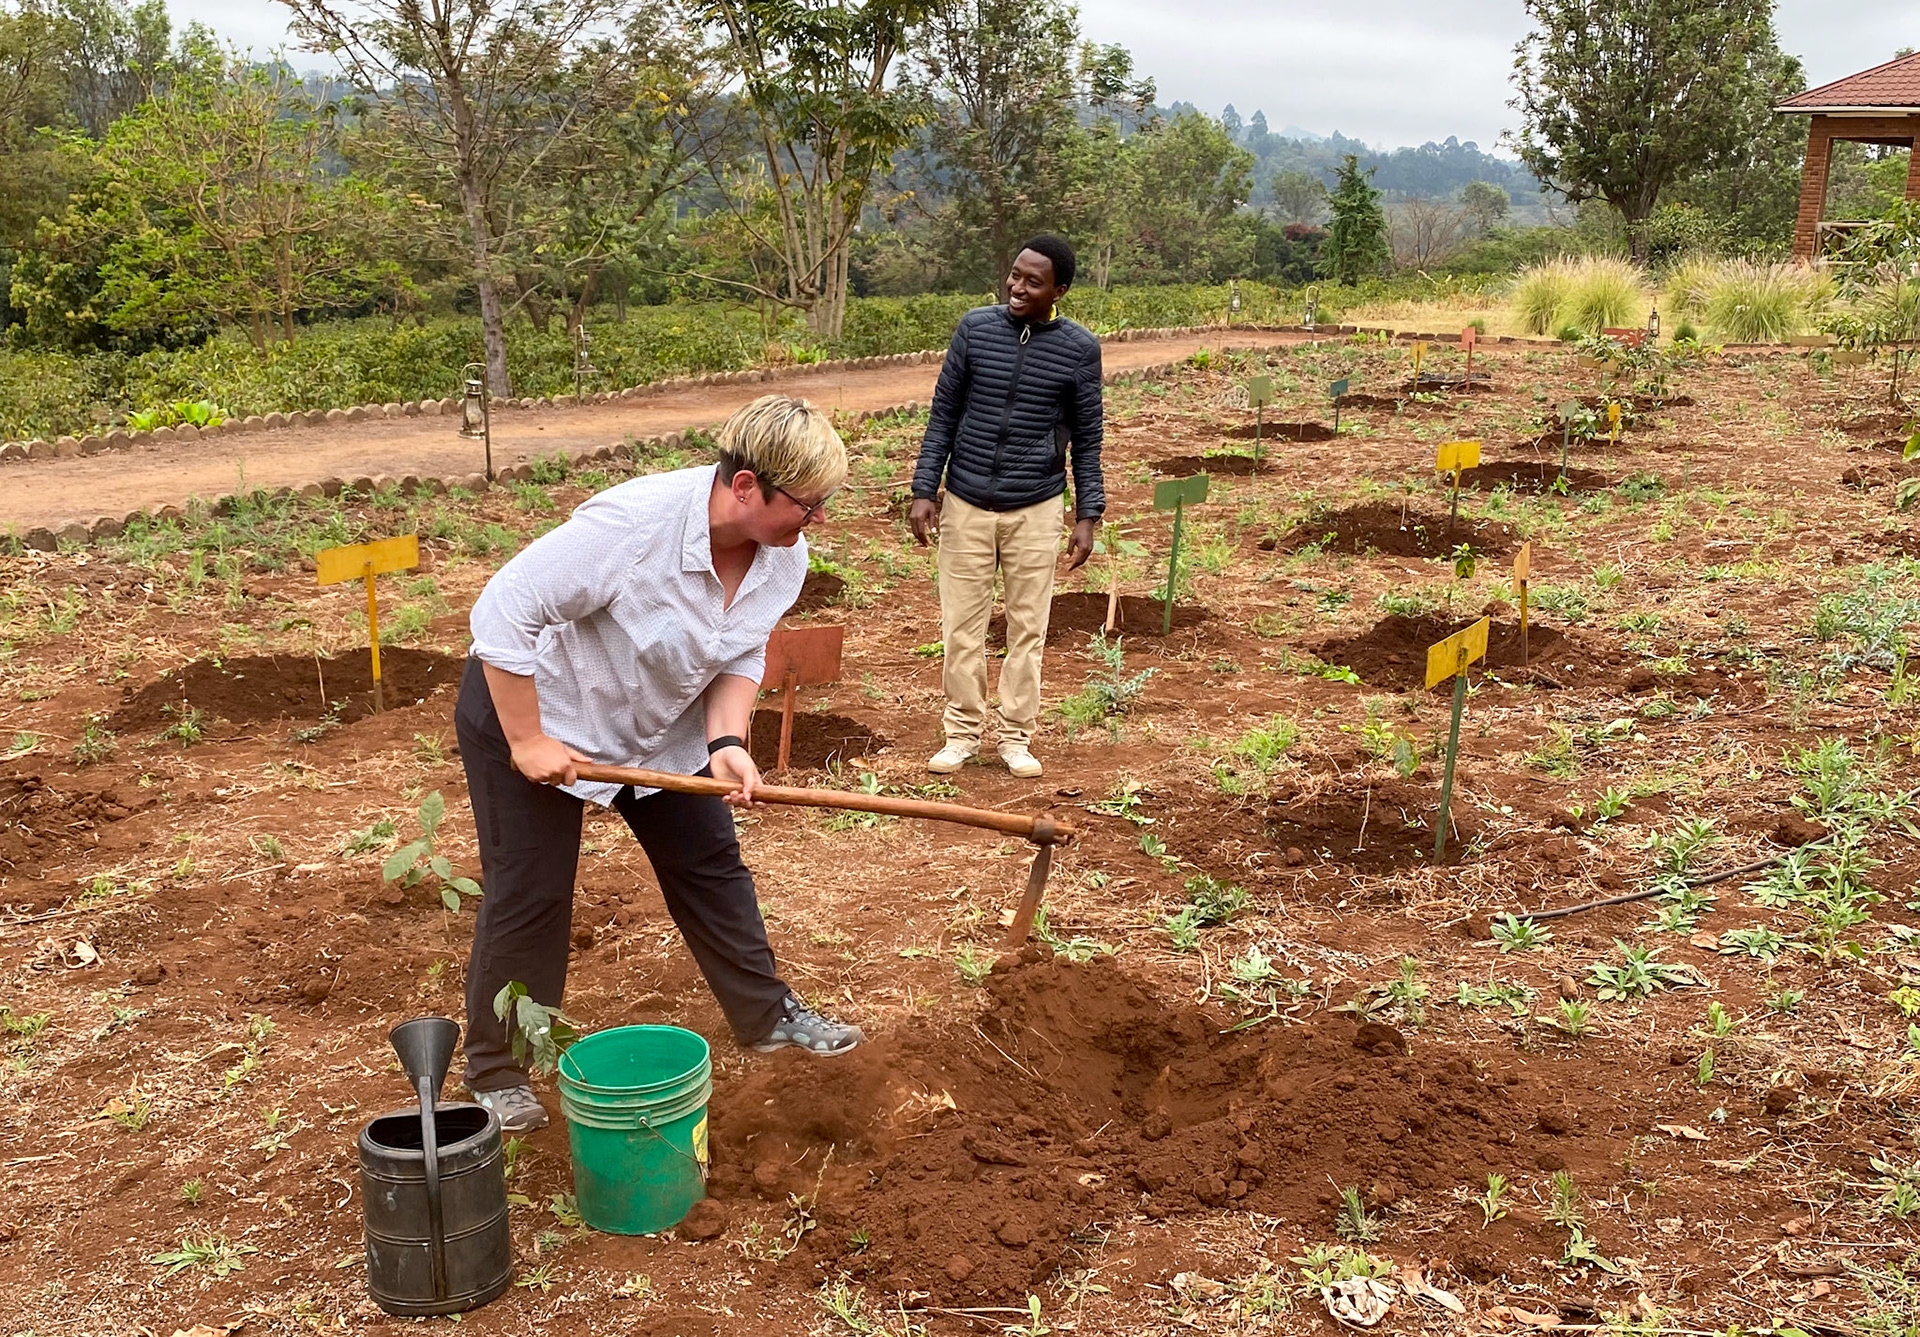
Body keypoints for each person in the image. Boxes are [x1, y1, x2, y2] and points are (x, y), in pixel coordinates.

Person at [454, 394, 864, 1133]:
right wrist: (527, 740)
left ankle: (769, 1017)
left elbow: (740, 650)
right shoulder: (633, 526)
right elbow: (503, 611)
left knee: (711, 865)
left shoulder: (782, 559)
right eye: (807, 505)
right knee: (532, 890)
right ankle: (497, 1068)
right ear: (746, 488)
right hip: (542, 710)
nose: (818, 522)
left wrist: (727, 741)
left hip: (655, 726)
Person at [909, 234, 1105, 780]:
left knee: (1027, 629)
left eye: (1033, 281)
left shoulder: (1078, 348)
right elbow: (943, 414)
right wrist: (926, 489)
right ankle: (961, 734)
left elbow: (1088, 438)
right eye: (1015, 275)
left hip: (1036, 507)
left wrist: (1088, 515)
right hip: (966, 501)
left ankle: (1016, 738)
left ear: (1059, 290)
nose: (1017, 287)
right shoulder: (976, 328)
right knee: (961, 628)